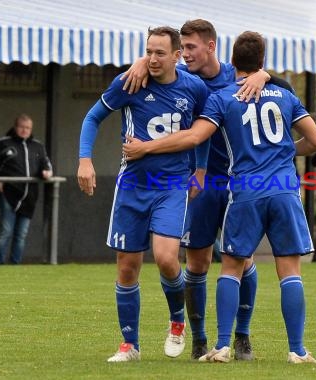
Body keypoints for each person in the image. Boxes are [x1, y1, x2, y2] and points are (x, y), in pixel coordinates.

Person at [123, 30, 316, 364]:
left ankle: (224, 344)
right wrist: (286, 154)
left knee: (231, 267)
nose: (185, 53)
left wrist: (145, 148)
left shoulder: (224, 97)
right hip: (284, 189)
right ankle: (298, 350)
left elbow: (195, 137)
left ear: (230, 59)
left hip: (242, 189)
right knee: (289, 271)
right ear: (263, 62)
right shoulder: (286, 96)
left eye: (190, 47)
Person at [76, 26, 209, 362]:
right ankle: (129, 346)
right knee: (127, 267)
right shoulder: (130, 82)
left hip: (172, 186)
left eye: (159, 52)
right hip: (132, 187)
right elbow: (93, 117)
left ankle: (177, 321)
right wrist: (85, 161)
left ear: (177, 56)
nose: (152, 58)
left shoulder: (193, 86)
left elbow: (204, 129)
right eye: (148, 51)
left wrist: (200, 170)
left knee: (166, 258)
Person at [0, 114, 52, 265]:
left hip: (29, 196)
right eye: (22, 127)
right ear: (15, 127)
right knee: (6, 232)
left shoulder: (37, 146)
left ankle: (15, 266)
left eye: (28, 128)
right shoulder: (4, 143)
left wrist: (46, 173)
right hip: (8, 193)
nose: (24, 130)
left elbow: (46, 165)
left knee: (22, 234)